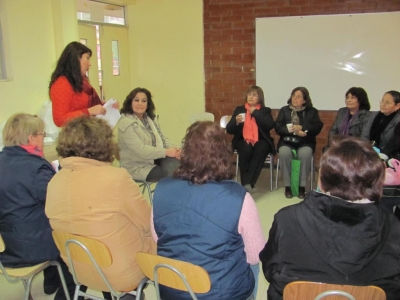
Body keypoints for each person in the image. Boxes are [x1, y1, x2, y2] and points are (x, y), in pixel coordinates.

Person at [259, 135, 400, 300]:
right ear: (378, 182)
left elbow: (270, 270)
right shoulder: (394, 226)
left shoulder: (287, 219)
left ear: (321, 180)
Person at [151, 121, 265, 300]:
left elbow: (157, 237)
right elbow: (255, 253)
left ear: (186, 151)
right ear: (223, 153)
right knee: (254, 265)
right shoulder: (239, 197)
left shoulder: (161, 188)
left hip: (172, 288)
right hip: (221, 294)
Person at [45, 116, 155, 297]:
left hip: (80, 270)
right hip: (120, 273)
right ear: (104, 144)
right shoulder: (116, 178)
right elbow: (148, 223)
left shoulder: (54, 181)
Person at [0, 113, 75, 299]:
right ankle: (67, 294)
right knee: (78, 251)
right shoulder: (35, 168)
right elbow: (58, 203)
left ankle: (51, 281)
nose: (44, 137)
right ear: (31, 138)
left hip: (7, 244)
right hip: (30, 246)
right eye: (42, 133)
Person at [49, 41, 118, 127]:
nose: (89, 63)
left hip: (88, 130)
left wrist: (106, 106)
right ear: (76, 58)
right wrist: (89, 111)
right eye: (87, 58)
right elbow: (59, 119)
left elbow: (89, 104)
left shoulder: (82, 81)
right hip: (74, 136)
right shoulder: (61, 83)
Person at [118, 87, 180, 181]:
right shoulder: (125, 123)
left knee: (181, 166)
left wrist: (176, 150)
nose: (140, 104)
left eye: (144, 101)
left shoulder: (150, 119)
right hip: (137, 167)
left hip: (154, 160)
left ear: (148, 104)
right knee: (173, 173)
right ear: (130, 102)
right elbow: (141, 150)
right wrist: (166, 152)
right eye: (136, 100)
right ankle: (171, 194)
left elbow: (163, 139)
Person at [275, 87, 323, 199]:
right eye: (293, 96)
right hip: (287, 141)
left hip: (305, 141)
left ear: (305, 100)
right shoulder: (284, 110)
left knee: (305, 154)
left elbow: (317, 126)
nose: (295, 98)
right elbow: (278, 127)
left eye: (298, 96)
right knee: (283, 152)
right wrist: (288, 130)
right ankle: (288, 186)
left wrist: (303, 129)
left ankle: (302, 186)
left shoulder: (312, 111)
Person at [226, 86, 275, 193]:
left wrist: (256, 113)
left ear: (260, 98)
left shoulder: (265, 110)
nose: (251, 97)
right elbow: (229, 130)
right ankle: (248, 184)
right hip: (242, 139)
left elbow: (269, 125)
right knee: (245, 148)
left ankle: (246, 183)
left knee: (262, 149)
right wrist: (236, 121)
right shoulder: (239, 109)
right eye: (249, 94)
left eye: (254, 95)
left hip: (261, 139)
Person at [366, 90, 400, 160]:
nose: (383, 104)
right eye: (382, 101)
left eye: (387, 102)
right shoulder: (374, 115)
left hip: (386, 154)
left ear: (397, 106)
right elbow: (364, 135)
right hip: (368, 150)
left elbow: (392, 144)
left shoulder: (398, 120)